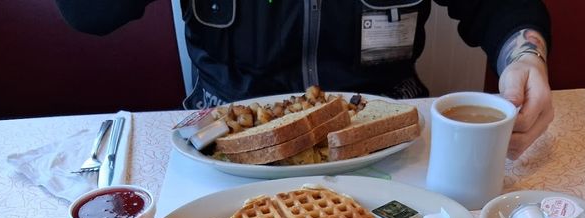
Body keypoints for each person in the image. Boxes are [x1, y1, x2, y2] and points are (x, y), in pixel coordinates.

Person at [56, 0, 552, 158]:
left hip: (384, 135)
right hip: (225, 138)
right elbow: (89, 13)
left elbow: (500, 4)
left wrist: (524, 56)